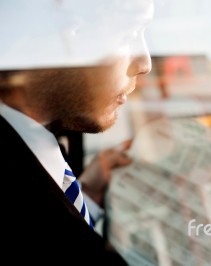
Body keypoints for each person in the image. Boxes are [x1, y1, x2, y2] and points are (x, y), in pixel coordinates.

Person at [0, 0, 152, 264]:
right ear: (70, 34)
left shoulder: (33, 138)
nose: (145, 63)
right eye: (130, 34)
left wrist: (87, 196)